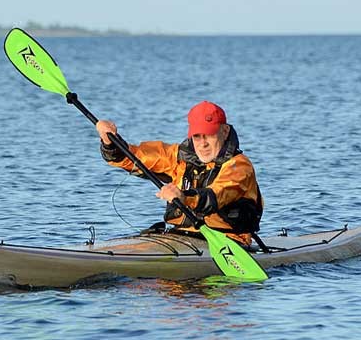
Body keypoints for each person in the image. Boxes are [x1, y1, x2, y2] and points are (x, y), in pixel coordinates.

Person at [96, 100, 263, 247]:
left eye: (209, 135)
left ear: (225, 131)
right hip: (180, 238)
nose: (202, 144)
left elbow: (216, 196)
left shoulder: (239, 166)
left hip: (229, 241)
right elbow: (134, 157)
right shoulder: (179, 158)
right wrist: (110, 141)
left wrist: (184, 197)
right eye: (197, 136)